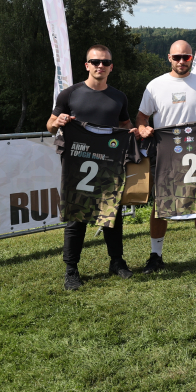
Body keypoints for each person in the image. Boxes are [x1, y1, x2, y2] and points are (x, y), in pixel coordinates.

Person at [47, 45, 135, 291]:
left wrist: (135, 132)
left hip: (109, 162)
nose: (100, 66)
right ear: (87, 65)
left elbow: (125, 125)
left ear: (111, 67)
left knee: (112, 212)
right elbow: (50, 125)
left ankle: (116, 262)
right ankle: (71, 270)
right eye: (95, 61)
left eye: (105, 62)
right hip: (79, 162)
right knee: (77, 216)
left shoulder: (119, 97)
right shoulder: (69, 94)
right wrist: (58, 121)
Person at [136, 40, 196, 273]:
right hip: (166, 153)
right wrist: (143, 128)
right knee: (161, 203)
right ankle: (155, 256)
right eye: (176, 57)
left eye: (186, 57)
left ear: (191, 58)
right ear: (169, 58)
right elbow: (141, 117)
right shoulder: (154, 86)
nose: (181, 61)